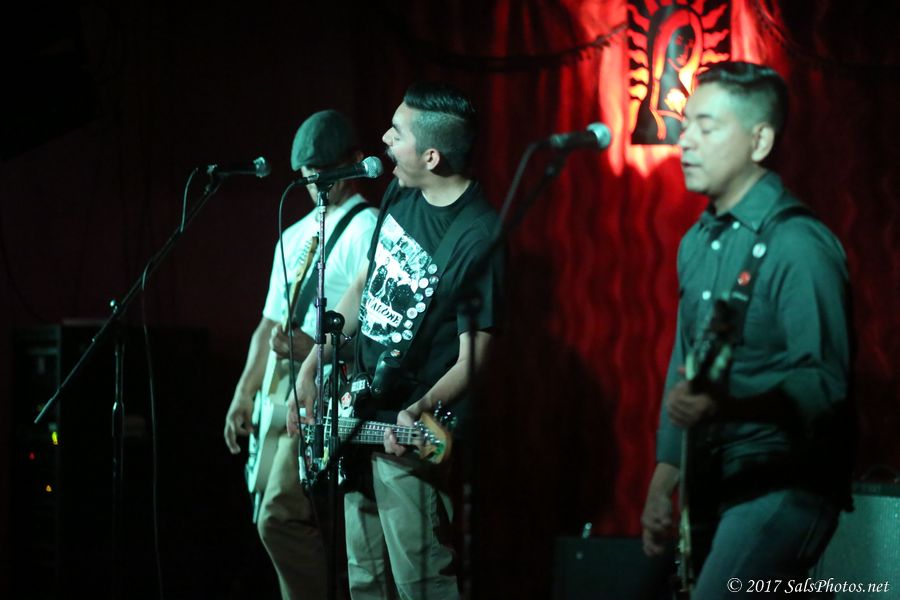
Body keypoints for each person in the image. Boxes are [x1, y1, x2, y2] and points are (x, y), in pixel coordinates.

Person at [641, 61, 855, 599]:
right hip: (718, 481)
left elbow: (824, 382)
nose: (685, 140)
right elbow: (686, 362)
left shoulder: (798, 244)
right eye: (686, 123)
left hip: (785, 483)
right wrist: (664, 477)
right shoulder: (697, 241)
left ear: (759, 140)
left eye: (706, 127)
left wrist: (726, 403)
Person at [287, 81, 504, 600]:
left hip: (411, 431)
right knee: (364, 578)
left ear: (431, 156)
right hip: (358, 414)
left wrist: (419, 408)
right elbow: (365, 283)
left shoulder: (478, 235)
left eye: (397, 132)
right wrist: (313, 363)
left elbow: (476, 357)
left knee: (420, 583)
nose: (384, 139)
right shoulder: (401, 193)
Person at [224, 109, 378, 600]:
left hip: (324, 393)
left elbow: (378, 336)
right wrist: (243, 393)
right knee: (268, 515)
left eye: (327, 170)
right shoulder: (293, 236)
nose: (316, 183)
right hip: (279, 392)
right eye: (309, 173)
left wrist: (314, 351)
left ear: (354, 161)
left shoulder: (368, 229)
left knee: (280, 516)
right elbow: (268, 323)